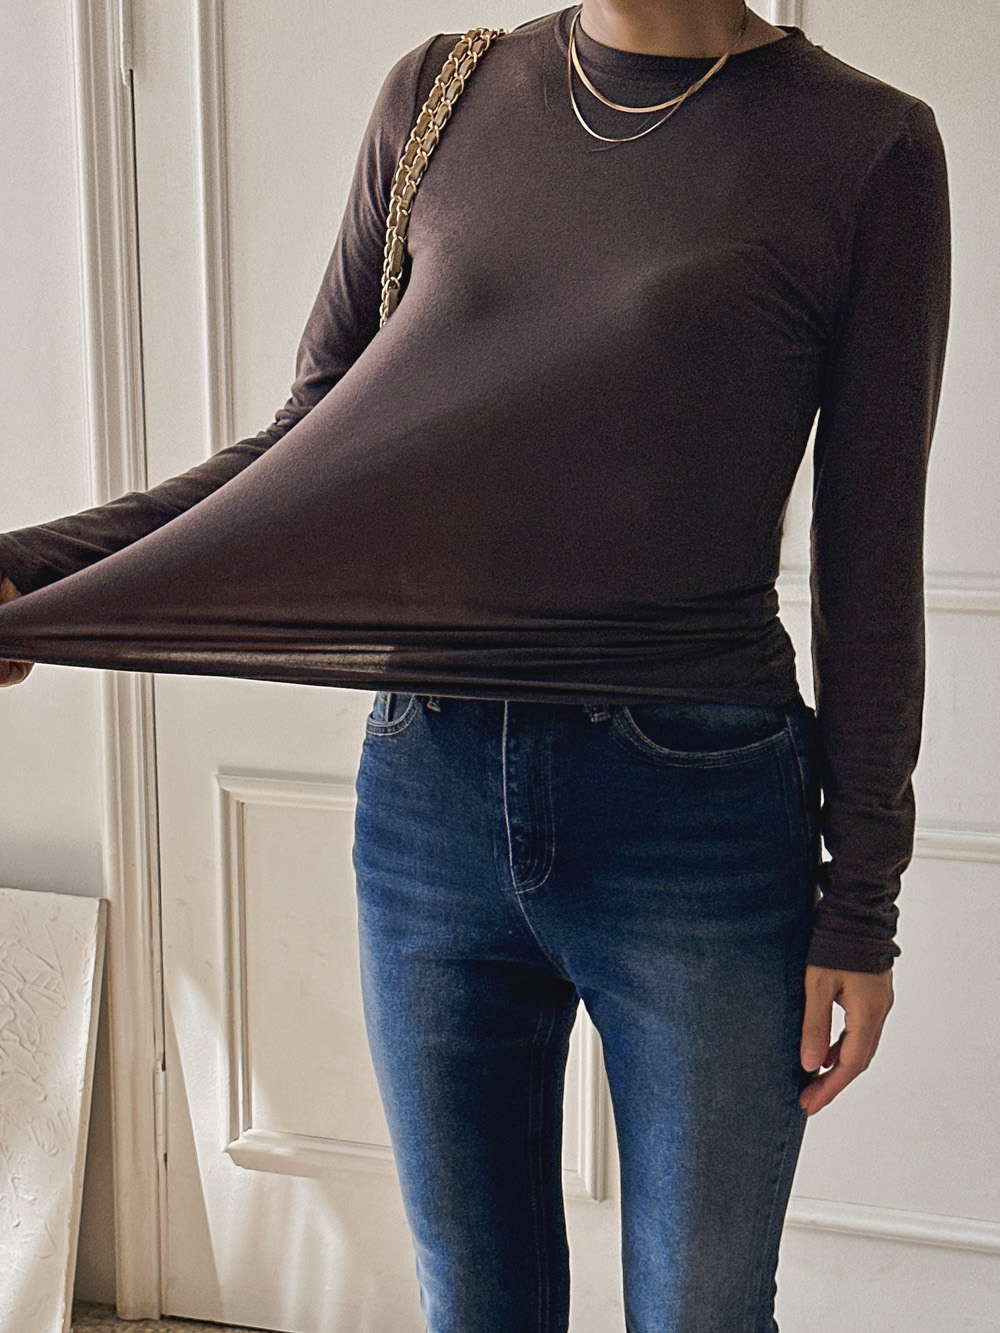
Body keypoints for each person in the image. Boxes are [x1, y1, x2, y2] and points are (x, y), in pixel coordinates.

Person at [0, 2, 951, 1328]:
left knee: (703, 1312)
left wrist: (863, 902)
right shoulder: (439, 97)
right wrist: (32, 573)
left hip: (698, 816)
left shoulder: (863, 147)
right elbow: (306, 453)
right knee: (475, 1305)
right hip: (429, 802)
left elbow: (871, 557)